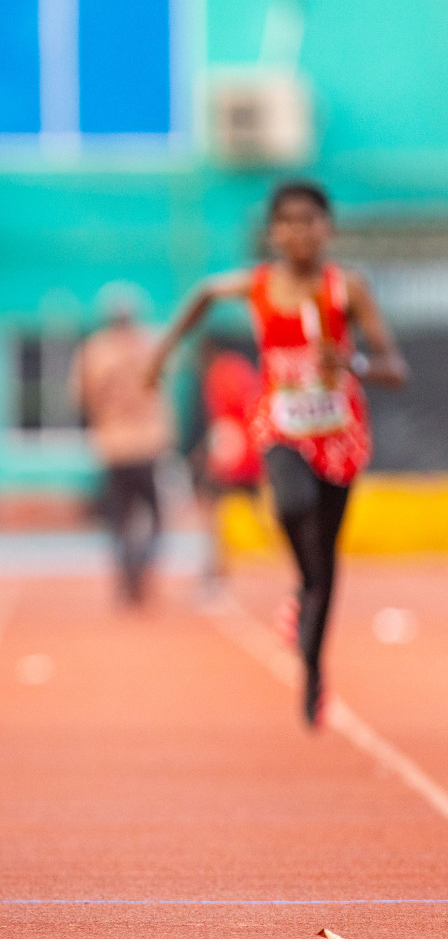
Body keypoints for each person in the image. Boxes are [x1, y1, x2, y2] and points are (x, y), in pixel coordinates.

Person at [149, 181, 408, 727]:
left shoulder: (346, 290)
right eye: (287, 221)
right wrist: (163, 351)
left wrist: (353, 365)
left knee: (327, 557)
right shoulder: (257, 285)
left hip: (339, 431)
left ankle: (313, 666)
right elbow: (202, 295)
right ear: (272, 232)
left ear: (328, 228)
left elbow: (395, 367)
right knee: (291, 505)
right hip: (283, 425)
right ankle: (304, 588)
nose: (299, 232)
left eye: (310, 221)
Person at [72, 284, 175, 607]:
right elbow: (165, 388)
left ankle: (126, 569)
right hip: (148, 442)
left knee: (119, 517)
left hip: (112, 445)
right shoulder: (151, 343)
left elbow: (81, 398)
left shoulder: (95, 349)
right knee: (156, 516)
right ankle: (141, 562)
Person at [191, 338, 264, 596]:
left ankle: (215, 572)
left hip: (236, 450)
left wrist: (211, 457)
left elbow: (225, 422)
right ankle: (217, 570)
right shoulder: (240, 368)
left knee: (210, 509)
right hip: (251, 447)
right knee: (257, 509)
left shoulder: (219, 375)